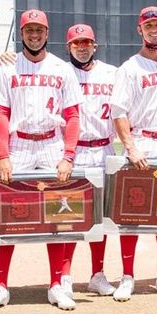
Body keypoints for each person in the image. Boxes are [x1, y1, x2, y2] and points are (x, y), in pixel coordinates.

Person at [0, 9, 83, 311]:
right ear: (22, 32)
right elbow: (0, 112)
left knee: (58, 215)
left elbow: (72, 116)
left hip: (51, 143)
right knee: (9, 215)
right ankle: (1, 285)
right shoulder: (6, 67)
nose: (34, 34)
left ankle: (56, 284)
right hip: (19, 145)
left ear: (47, 32)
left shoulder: (62, 68)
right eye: (29, 29)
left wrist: (68, 155)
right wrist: (3, 155)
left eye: (39, 29)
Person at [108, 5, 157, 299]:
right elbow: (118, 111)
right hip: (141, 140)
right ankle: (127, 277)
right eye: (148, 25)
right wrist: (130, 147)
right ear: (139, 30)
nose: (154, 29)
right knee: (133, 211)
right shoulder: (130, 68)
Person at [64, 23, 120, 298]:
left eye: (86, 42)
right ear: (69, 47)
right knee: (69, 216)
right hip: (73, 151)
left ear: (94, 45)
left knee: (102, 217)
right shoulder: (61, 72)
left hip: (104, 149)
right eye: (77, 43)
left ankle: (98, 274)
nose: (82, 47)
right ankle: (63, 276)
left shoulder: (112, 73)